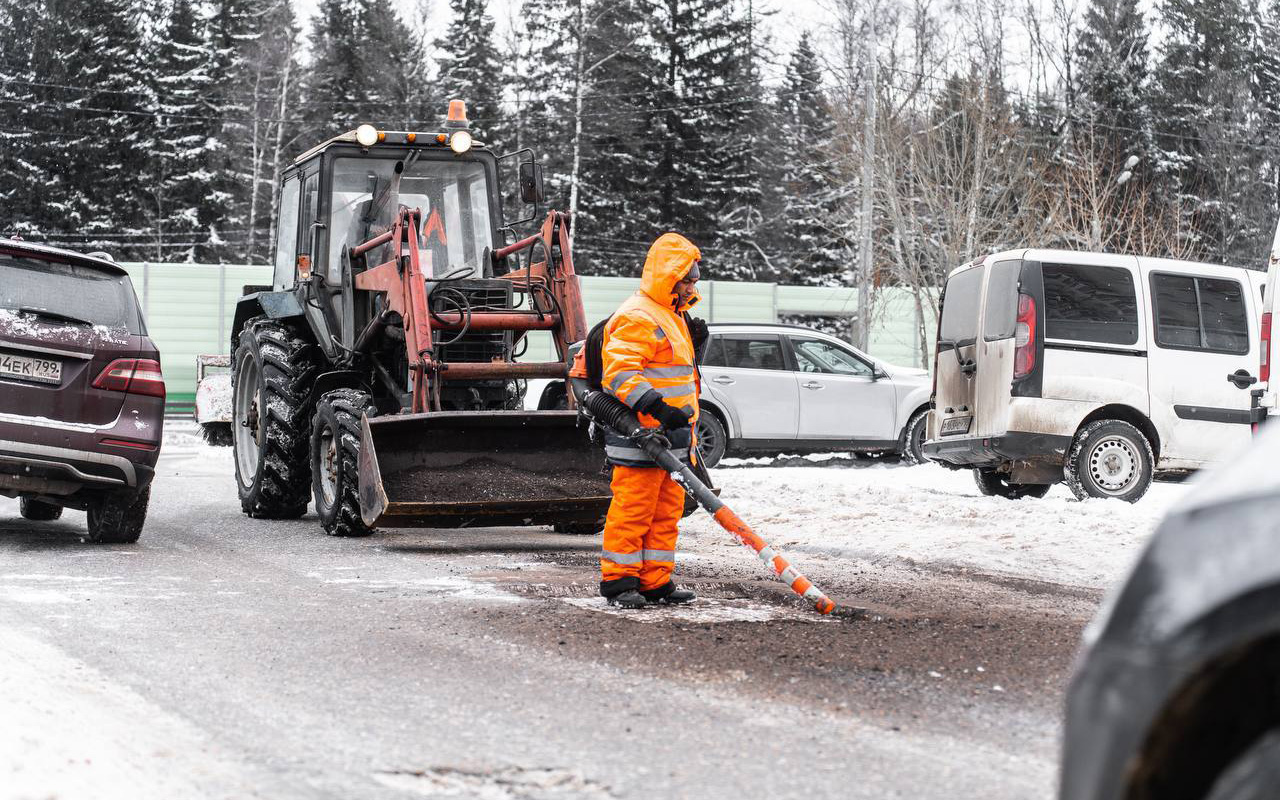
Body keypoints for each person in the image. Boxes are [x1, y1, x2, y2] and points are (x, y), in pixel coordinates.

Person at [597, 232, 708, 609]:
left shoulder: (673, 315)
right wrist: (658, 409)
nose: (693, 284)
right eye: (687, 278)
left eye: (695, 277)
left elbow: (674, 372)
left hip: (673, 439)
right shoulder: (638, 315)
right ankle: (619, 582)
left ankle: (655, 582)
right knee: (634, 512)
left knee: (666, 515)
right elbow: (620, 373)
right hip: (641, 437)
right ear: (668, 276)